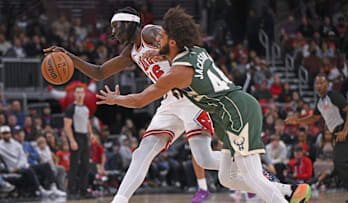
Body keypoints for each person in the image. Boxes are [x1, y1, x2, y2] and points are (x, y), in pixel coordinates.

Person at [95, 6, 311, 203]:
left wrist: (117, 100)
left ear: (172, 41)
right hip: (220, 111)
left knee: (250, 173)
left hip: (235, 110)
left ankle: (283, 192)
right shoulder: (195, 53)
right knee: (225, 176)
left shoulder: (177, 69)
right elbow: (103, 72)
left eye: (162, 38)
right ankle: (284, 189)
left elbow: (142, 99)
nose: (157, 41)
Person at [44, 7, 221, 203]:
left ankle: (250, 167)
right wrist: (70, 57)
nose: (113, 32)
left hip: (190, 95)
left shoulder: (149, 33)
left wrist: (173, 64)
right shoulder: (131, 51)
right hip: (170, 101)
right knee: (141, 153)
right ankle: (119, 200)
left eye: (116, 27)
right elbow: (100, 72)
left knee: (206, 159)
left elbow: (177, 46)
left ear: (129, 24)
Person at [286, 74, 348, 202]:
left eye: (322, 82)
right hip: (337, 132)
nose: (319, 85)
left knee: (340, 162)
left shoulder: (333, 96)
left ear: (327, 84)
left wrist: (345, 130)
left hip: (347, 129)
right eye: (317, 83)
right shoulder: (320, 102)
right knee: (339, 164)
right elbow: (313, 118)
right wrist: (296, 121)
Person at [63, 86, 93, 197]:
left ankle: (83, 191)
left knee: (86, 165)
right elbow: (67, 126)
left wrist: (91, 134)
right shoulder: (71, 108)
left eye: (81, 92)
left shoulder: (86, 108)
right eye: (78, 92)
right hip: (76, 136)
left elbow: (87, 123)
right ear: (74, 95)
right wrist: (72, 141)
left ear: (84, 94)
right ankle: (71, 191)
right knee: (74, 166)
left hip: (84, 137)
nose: (80, 94)